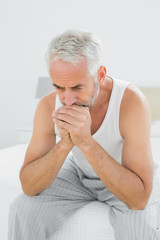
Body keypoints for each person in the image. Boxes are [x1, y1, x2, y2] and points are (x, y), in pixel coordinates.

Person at [8, 29, 160, 240]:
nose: (67, 100)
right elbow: (29, 186)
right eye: (59, 87)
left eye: (77, 87)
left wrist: (86, 143)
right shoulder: (47, 105)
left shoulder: (131, 102)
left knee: (140, 229)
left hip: (128, 175)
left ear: (100, 74)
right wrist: (65, 144)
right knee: (22, 210)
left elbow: (138, 199)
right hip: (80, 174)